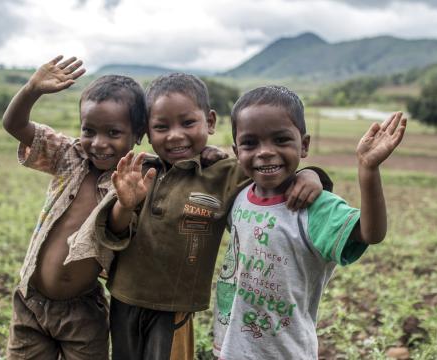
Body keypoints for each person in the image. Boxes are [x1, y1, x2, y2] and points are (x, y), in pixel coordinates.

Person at [93, 73, 333, 359]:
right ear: (147, 131)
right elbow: (116, 231)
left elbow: (274, 167)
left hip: (174, 308)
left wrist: (311, 174)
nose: (175, 135)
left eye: (188, 123)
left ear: (209, 121)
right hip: (124, 298)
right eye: (161, 126)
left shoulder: (224, 174)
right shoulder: (142, 171)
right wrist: (125, 204)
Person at [212, 86, 406, 359]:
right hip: (232, 348)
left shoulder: (316, 207)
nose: (265, 152)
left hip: (286, 351)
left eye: (280, 140)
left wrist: (368, 169)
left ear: (303, 145)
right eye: (250, 143)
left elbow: (370, 233)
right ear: (236, 150)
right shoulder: (240, 195)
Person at [1, 55, 142, 359]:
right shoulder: (69, 156)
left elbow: (115, 230)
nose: (98, 143)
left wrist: (126, 204)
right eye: (89, 130)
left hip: (83, 312)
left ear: (137, 135)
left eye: (113, 133)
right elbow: (14, 125)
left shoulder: (133, 181)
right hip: (31, 303)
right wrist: (31, 90)